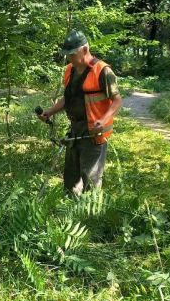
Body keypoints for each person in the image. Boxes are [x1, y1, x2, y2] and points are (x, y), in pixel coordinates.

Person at [38, 29, 122, 194]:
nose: (69, 58)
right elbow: (67, 99)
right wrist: (49, 112)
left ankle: (89, 215)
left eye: (72, 54)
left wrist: (103, 121)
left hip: (94, 133)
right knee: (70, 176)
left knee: (90, 177)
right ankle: (69, 211)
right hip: (75, 130)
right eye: (67, 55)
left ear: (84, 50)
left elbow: (117, 100)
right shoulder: (70, 70)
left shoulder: (103, 71)